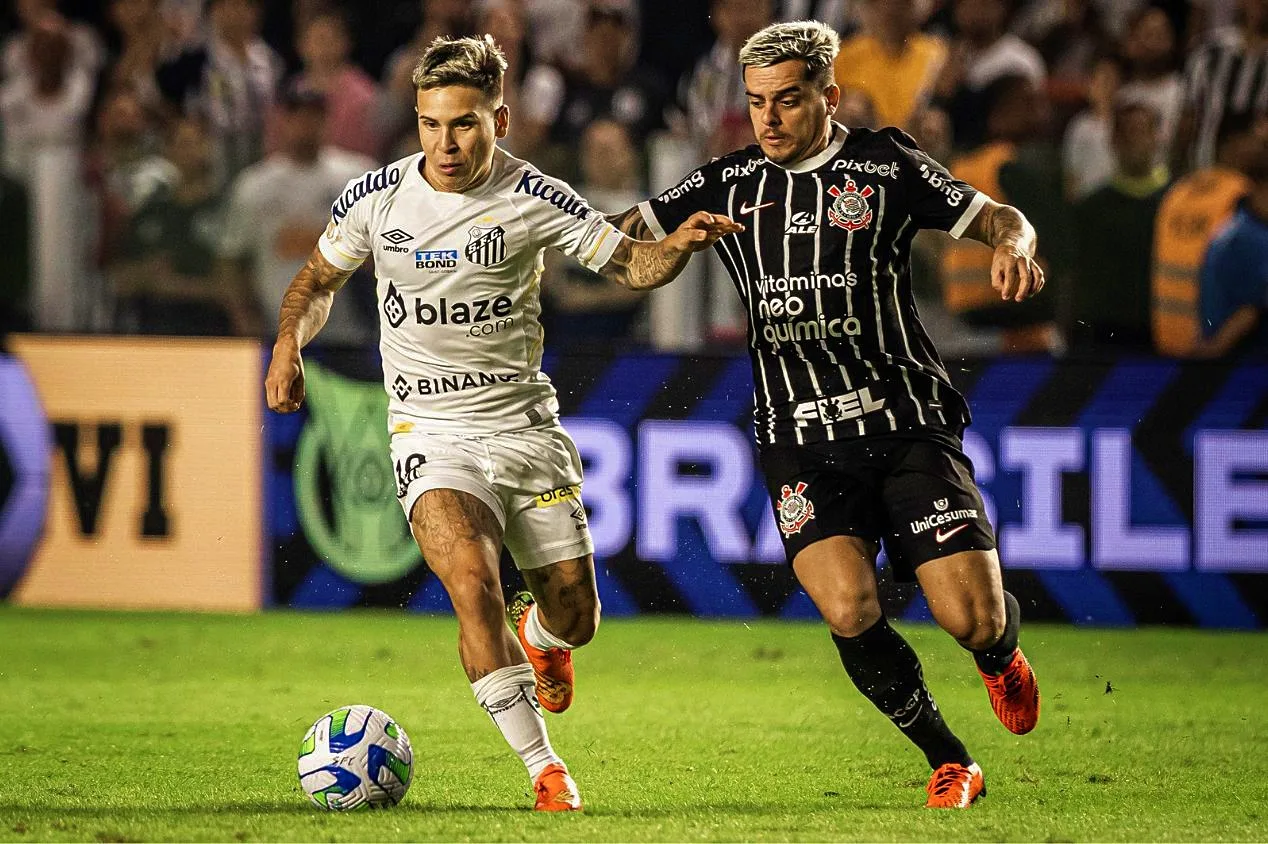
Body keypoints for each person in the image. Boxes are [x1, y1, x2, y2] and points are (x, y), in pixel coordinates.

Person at [263, 35, 738, 812]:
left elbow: (627, 264)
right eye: (429, 123)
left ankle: (546, 644)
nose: (445, 143)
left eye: (463, 124)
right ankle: (546, 772)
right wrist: (289, 342)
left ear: (500, 119)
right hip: (429, 433)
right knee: (473, 586)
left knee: (575, 616)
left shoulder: (536, 197)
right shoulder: (374, 199)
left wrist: (676, 247)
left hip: (523, 432)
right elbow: (315, 281)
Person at [605, 20, 1042, 809]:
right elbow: (614, 242)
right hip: (799, 438)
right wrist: (661, 246)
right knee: (849, 608)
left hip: (905, 424)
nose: (768, 119)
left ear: (828, 96)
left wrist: (1012, 244)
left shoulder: (883, 165)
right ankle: (950, 758)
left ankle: (999, 652)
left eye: (787, 101)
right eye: (756, 103)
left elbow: (999, 218)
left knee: (970, 619)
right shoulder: (727, 182)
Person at [219, 81, 376, 343]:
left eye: (314, 116)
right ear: (283, 120)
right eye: (298, 115)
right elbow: (231, 260)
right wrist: (244, 320)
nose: (306, 124)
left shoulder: (358, 178)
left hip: (352, 333)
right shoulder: (255, 186)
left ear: (326, 120)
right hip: (278, 332)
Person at [1069, 100, 1170, 354]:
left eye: (1141, 131)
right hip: (1103, 339)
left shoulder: (1175, 203)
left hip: (1162, 334)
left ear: (1157, 137)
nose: (1133, 141)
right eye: (1125, 133)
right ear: (1113, 141)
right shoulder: (1091, 208)